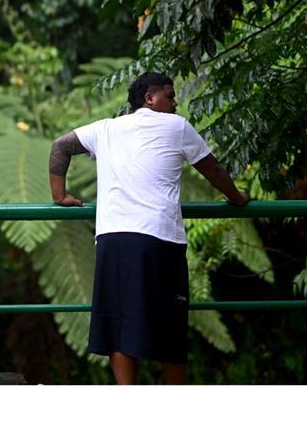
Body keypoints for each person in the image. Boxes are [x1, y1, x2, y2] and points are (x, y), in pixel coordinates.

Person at [47, 72, 250, 384]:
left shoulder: (106, 128)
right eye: (170, 95)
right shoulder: (177, 126)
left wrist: (59, 195)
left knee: (119, 327)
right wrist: (236, 197)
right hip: (159, 239)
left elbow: (60, 146)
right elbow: (211, 168)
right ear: (150, 98)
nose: (176, 102)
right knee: (168, 325)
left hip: (113, 239)